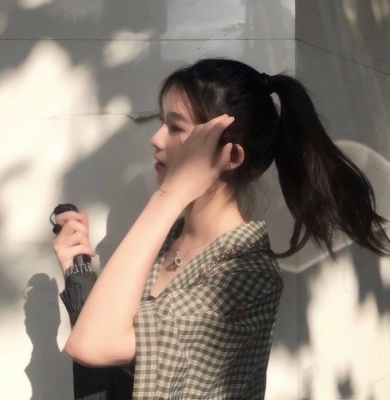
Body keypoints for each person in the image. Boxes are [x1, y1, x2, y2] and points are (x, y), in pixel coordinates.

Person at [52, 58, 390, 399]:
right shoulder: (166, 238)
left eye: (176, 127)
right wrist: (77, 274)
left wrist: (171, 196)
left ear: (230, 156)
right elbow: (115, 358)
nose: (156, 138)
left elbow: (94, 345)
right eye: (161, 121)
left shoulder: (247, 273)